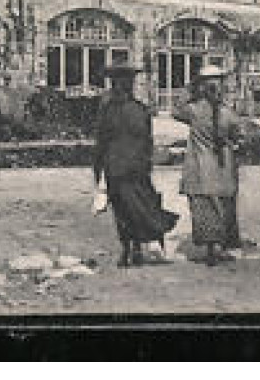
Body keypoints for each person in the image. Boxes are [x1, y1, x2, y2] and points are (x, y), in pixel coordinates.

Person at [92, 61, 178, 267]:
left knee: (123, 210)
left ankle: (128, 249)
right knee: (136, 207)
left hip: (118, 168)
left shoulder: (107, 111)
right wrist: (146, 164)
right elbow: (147, 142)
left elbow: (100, 142)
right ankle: (135, 248)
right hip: (134, 167)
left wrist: (98, 171)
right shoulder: (139, 110)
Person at [172, 64, 243, 265]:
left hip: (200, 168)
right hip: (223, 167)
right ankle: (221, 246)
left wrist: (190, 88)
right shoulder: (227, 113)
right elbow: (240, 135)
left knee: (204, 208)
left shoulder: (194, 111)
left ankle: (210, 249)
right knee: (223, 207)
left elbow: (176, 110)